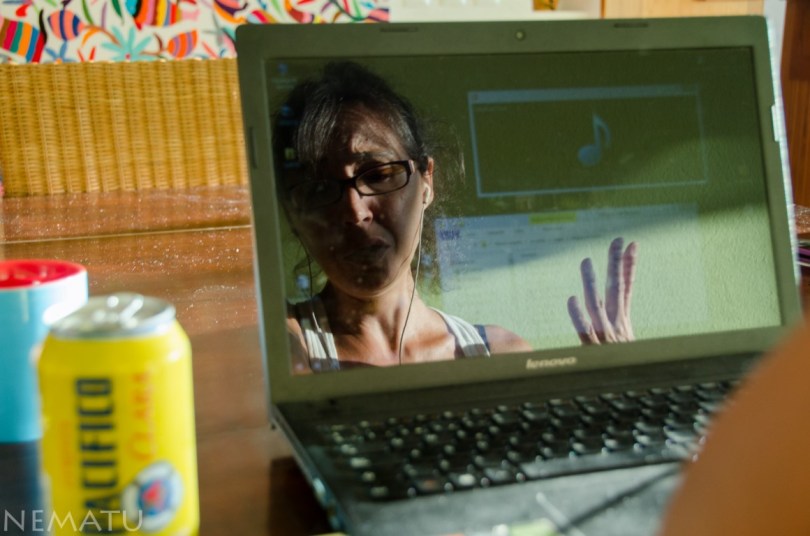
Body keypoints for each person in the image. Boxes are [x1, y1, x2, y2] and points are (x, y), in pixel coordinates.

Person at [272, 61, 637, 374]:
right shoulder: (276, 350)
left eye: (378, 174)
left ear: (426, 182)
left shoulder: (500, 356)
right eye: (318, 189)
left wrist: (616, 388)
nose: (354, 211)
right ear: (293, 215)